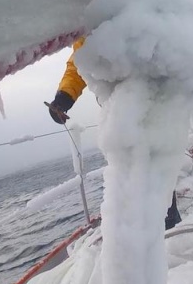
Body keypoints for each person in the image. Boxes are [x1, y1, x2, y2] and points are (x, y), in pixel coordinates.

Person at [48, 37, 183, 231]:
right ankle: (146, 229)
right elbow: (79, 63)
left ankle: (167, 226)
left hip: (152, 101)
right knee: (130, 169)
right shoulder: (87, 27)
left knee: (156, 164)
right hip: (118, 113)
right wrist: (63, 98)